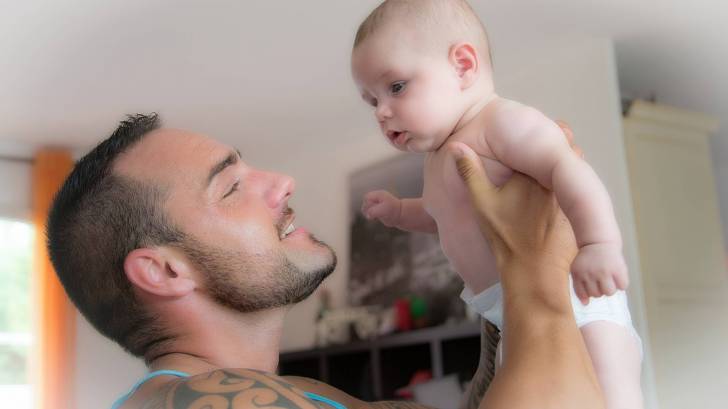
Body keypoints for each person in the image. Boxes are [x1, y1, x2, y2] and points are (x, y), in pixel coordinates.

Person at [47, 114, 603, 408]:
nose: (281, 183)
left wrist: (494, 276)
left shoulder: (296, 396)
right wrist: (536, 267)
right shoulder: (195, 406)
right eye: (231, 186)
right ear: (165, 270)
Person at [351, 1, 642, 407]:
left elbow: (567, 169)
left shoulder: (500, 122)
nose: (382, 112)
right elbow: (439, 214)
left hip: (575, 298)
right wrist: (401, 212)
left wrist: (598, 245)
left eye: (396, 87)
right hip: (512, 316)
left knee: (612, 392)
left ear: (463, 65)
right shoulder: (438, 160)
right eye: (371, 101)